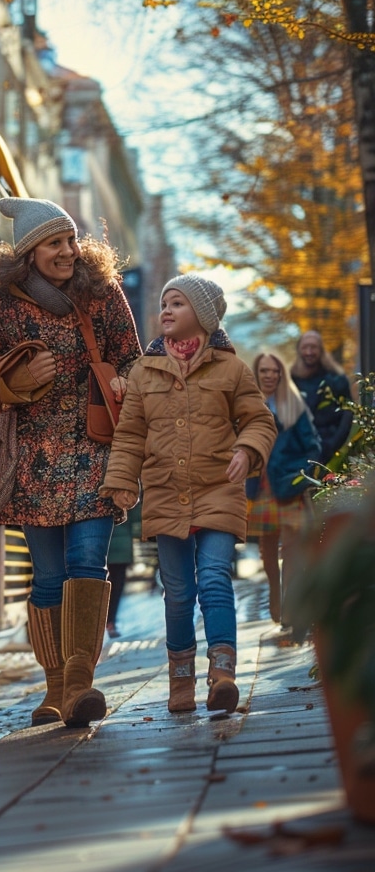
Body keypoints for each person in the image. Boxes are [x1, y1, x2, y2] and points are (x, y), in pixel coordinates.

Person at [0, 198, 142, 728]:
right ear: (29, 253)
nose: (67, 251)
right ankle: (54, 690)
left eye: (70, 239)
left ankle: (80, 687)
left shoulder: (103, 292)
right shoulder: (3, 304)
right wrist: (13, 379)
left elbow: (135, 357)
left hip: (95, 451)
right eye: (54, 243)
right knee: (46, 579)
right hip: (32, 463)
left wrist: (123, 378)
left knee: (87, 564)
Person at [100, 274, 276, 715]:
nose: (166, 311)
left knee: (215, 578)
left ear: (201, 314)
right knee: (177, 592)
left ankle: (223, 672)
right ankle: (181, 680)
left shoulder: (232, 369)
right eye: (164, 303)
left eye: (177, 303)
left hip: (219, 489)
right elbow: (130, 435)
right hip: (164, 493)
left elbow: (259, 420)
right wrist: (122, 481)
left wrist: (248, 449)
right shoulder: (144, 371)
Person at [247, 353, 320, 624]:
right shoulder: (249, 404)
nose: (269, 375)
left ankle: (288, 605)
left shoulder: (294, 405)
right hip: (261, 486)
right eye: (264, 370)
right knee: (267, 551)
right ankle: (274, 594)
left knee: (290, 549)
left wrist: (301, 475)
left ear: (281, 374)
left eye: (274, 371)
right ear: (257, 373)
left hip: (289, 485)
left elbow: (313, 446)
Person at [290, 330, 353, 464]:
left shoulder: (336, 379)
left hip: (331, 449)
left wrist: (333, 444)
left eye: (313, 347)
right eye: (305, 347)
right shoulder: (291, 380)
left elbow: (348, 413)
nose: (309, 352)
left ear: (321, 350)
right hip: (298, 452)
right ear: (299, 350)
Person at [105, 502, 141, 638]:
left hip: (99, 545)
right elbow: (137, 517)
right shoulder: (125, 486)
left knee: (97, 583)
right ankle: (110, 622)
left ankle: (97, 623)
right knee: (116, 586)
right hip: (122, 546)